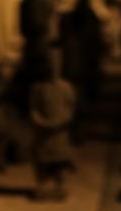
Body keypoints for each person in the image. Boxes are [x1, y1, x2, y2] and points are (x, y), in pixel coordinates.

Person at [30, 49, 76, 200]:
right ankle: (42, 186)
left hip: (59, 133)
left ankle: (59, 186)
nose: (53, 67)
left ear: (60, 65)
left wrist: (60, 122)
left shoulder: (66, 87)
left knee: (59, 162)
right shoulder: (38, 88)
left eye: (56, 63)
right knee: (42, 162)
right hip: (43, 134)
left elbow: (70, 109)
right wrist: (41, 122)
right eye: (50, 63)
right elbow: (34, 109)